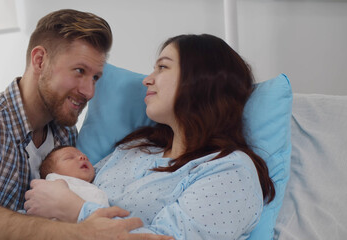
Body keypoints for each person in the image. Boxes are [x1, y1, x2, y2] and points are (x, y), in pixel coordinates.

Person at [0, 9, 172, 240]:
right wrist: (81, 234)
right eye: (79, 71)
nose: (90, 91)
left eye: (96, 77)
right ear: (40, 60)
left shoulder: (64, 133)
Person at [24, 34, 276, 239]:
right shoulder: (135, 148)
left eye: (162, 67)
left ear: (201, 82)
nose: (147, 79)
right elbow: (78, 185)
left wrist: (77, 211)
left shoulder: (229, 170)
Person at [39, 145, 109, 208]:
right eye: (69, 157)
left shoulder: (96, 185)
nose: (83, 157)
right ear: (53, 173)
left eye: (86, 158)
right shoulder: (53, 183)